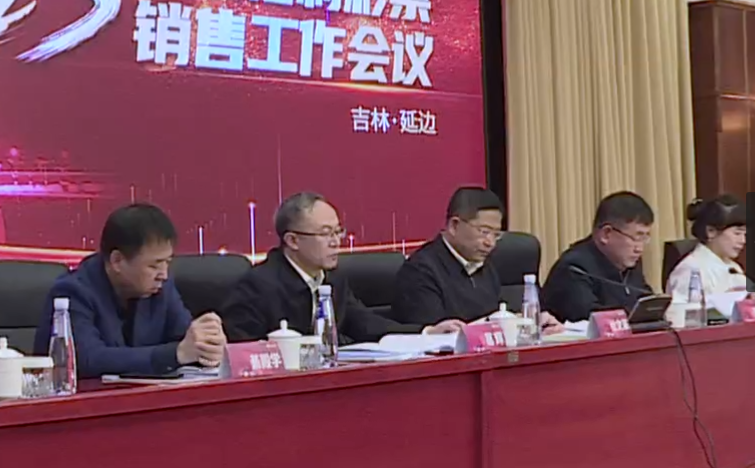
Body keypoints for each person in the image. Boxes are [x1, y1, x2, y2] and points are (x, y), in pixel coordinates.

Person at [221, 191, 464, 343]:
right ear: (293, 241)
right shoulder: (258, 286)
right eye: (326, 233)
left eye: (338, 231)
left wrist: (426, 332)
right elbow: (241, 351)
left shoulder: (332, 279)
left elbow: (364, 323)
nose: (336, 241)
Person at [41, 203, 225, 377]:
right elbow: (86, 360)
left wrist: (206, 346)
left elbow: (184, 338)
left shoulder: (162, 288)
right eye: (154, 266)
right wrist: (175, 354)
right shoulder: (73, 292)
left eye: (167, 262)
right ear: (117, 261)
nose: (163, 274)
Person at [394, 187, 557, 329]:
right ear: (454, 225)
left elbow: (496, 314)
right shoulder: (420, 271)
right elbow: (434, 335)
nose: (490, 243)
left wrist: (526, 322)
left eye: (496, 235)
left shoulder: (484, 265)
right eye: (484, 232)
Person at [540, 192, 655, 323]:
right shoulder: (574, 268)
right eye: (636, 238)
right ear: (606, 234)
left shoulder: (629, 262)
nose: (639, 249)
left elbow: (645, 302)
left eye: (645, 238)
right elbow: (593, 318)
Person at [665, 196, 747, 321]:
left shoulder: (735, 268)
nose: (742, 240)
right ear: (711, 231)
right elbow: (677, 317)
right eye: (737, 233)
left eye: (744, 234)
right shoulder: (690, 269)